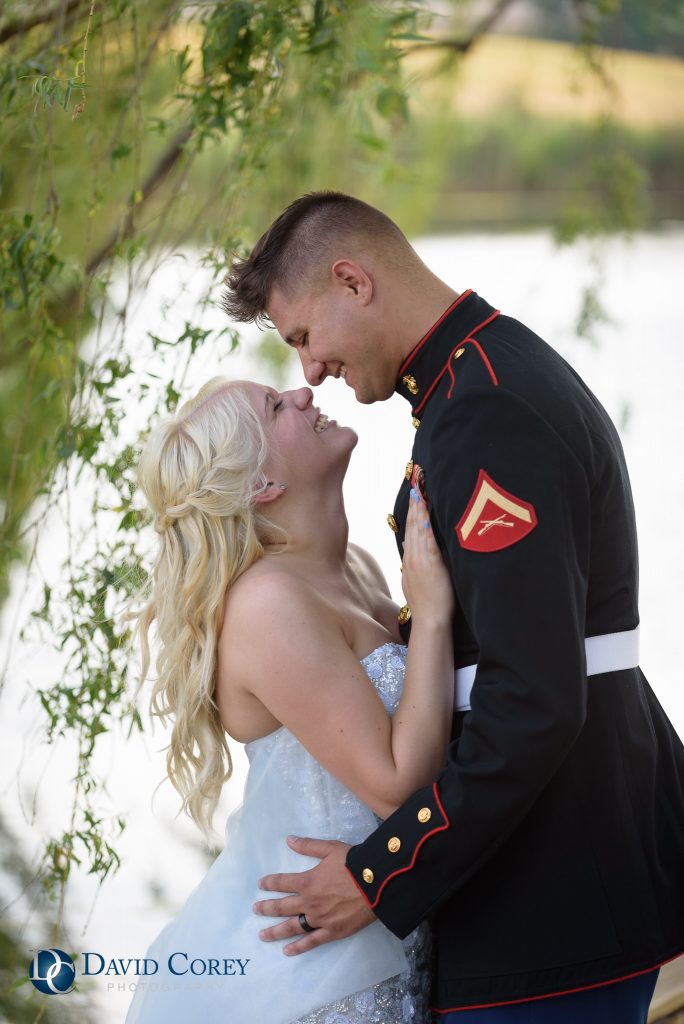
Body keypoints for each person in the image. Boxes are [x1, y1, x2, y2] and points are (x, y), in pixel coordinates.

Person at [222, 191, 684, 1023]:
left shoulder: (484, 408)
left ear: (353, 281)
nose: (311, 370)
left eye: (303, 337)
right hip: (562, 869)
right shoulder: (473, 382)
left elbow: (534, 698)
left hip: (555, 892)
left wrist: (381, 873)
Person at [125, 375, 457, 1023]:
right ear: (260, 487)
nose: (303, 395)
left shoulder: (356, 565)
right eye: (276, 407)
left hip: (378, 934)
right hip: (297, 978)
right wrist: (436, 617)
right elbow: (396, 789)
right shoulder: (268, 603)